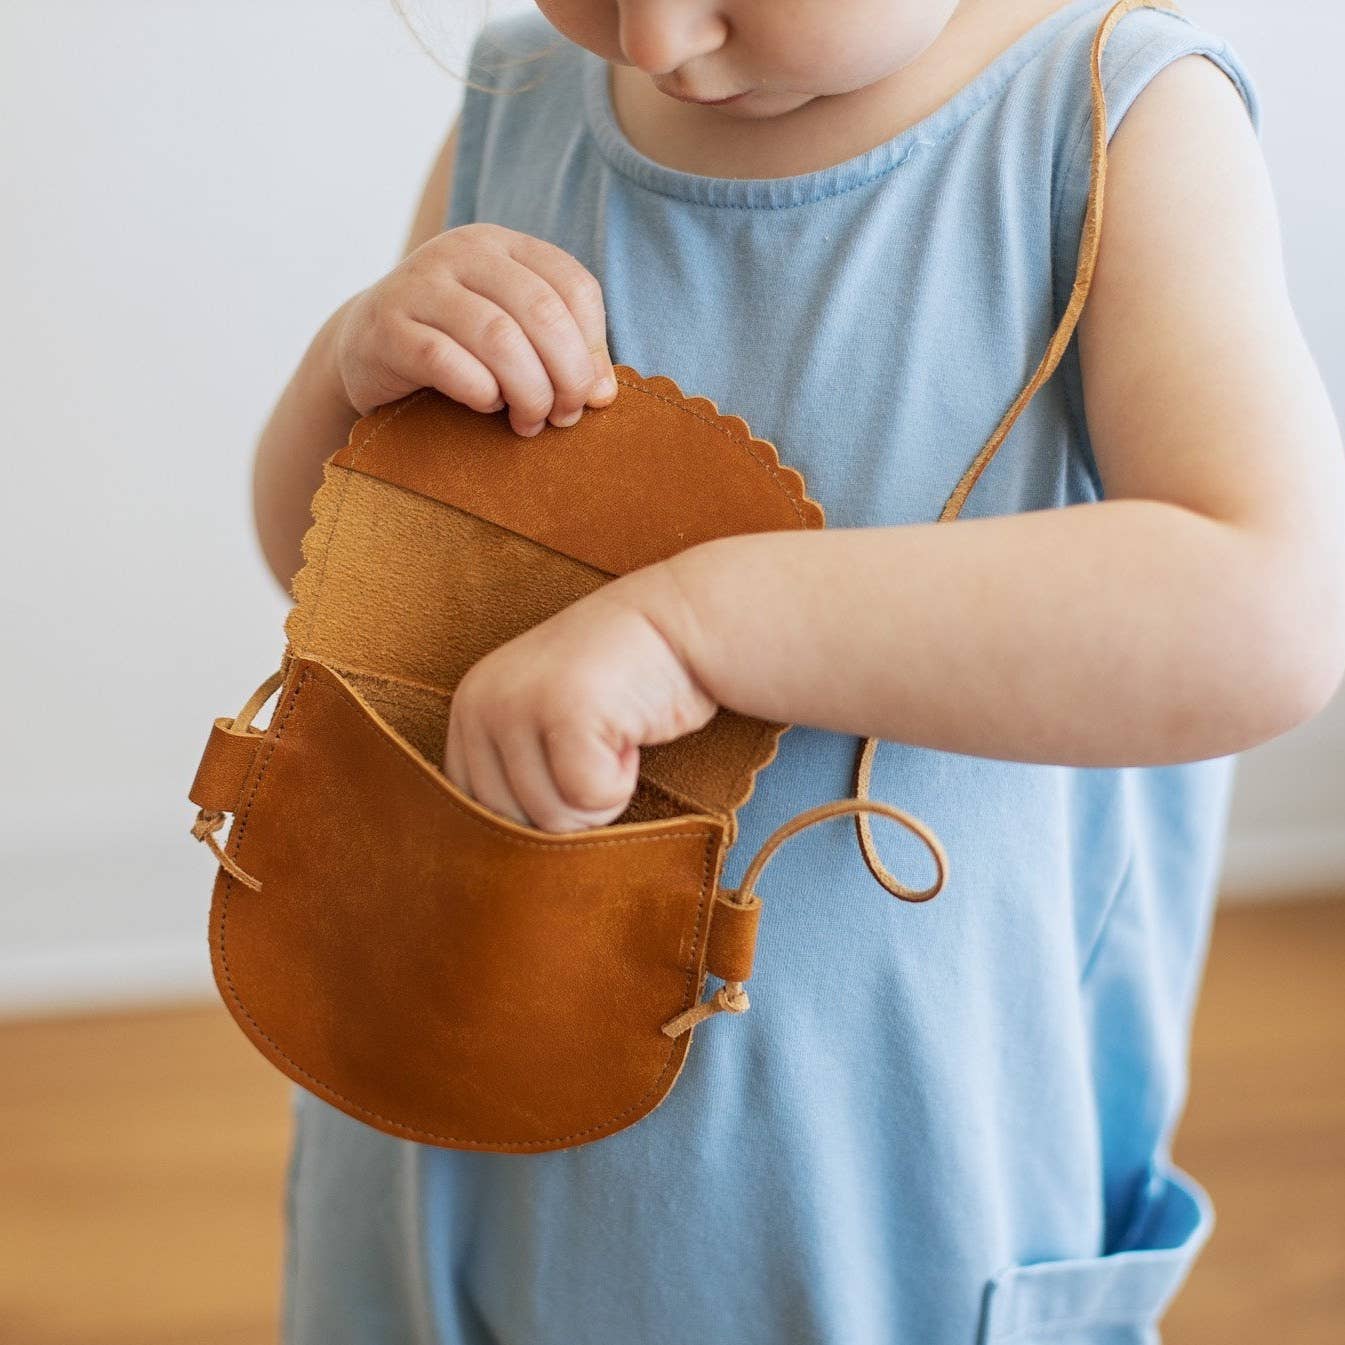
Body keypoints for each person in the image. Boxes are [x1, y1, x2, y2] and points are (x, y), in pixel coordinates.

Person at [251, 1, 1345, 1341]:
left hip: (865, 1217)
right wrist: (346, 368)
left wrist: (701, 627)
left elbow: (1262, 611)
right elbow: (330, 578)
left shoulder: (1112, 127)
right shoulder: (522, 102)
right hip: (449, 1128)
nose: (651, 40)